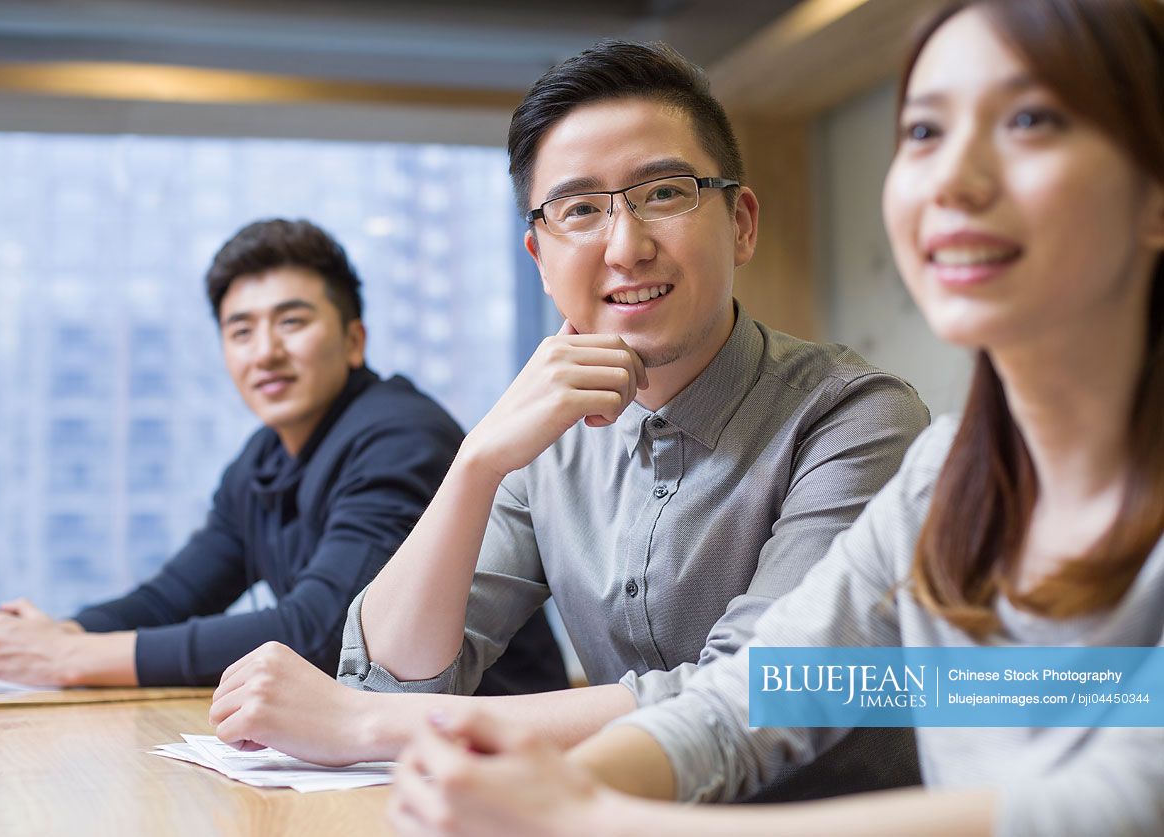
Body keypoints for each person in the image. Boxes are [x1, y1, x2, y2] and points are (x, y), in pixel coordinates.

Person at [386, 0, 1164, 833]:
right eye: (925, 132)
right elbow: (760, 691)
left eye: (1028, 119)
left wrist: (585, 815)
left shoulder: (859, 419)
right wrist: (552, 789)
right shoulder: (952, 472)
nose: (953, 179)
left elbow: (1107, 804)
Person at [208, 42, 930, 799]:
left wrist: (366, 726)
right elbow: (391, 677)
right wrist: (478, 460)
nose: (626, 246)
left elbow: (755, 692)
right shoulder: (543, 438)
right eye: (580, 210)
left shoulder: (857, 417)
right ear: (540, 259)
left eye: (664, 192)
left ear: (741, 223)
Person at [0, 218, 568, 693]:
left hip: (484, 751)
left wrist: (68, 659)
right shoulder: (263, 459)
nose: (264, 352)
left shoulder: (401, 437)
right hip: (377, 749)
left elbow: (321, 632)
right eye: (241, 331)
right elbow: (174, 596)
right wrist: (59, 632)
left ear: (355, 340)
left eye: (291, 322)